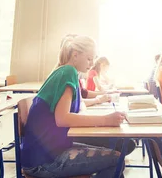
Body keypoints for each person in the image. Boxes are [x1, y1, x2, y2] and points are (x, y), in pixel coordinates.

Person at [20, 34, 127, 178]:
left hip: (47, 152)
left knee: (115, 150)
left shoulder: (67, 72)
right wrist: (106, 120)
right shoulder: (67, 72)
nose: (92, 63)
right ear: (75, 55)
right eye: (89, 58)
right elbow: (62, 119)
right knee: (117, 160)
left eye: (94, 58)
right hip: (43, 161)